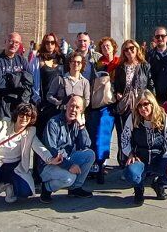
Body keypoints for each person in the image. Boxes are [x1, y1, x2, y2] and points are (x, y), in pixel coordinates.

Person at [121, 90, 167, 204]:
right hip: (141, 159)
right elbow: (124, 138)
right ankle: (139, 188)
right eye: (139, 105)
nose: (142, 108)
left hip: (159, 158)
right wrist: (129, 153)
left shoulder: (163, 118)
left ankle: (159, 184)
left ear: (152, 104)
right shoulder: (133, 117)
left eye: (145, 104)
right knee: (130, 174)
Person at [39, 94, 96, 201]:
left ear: (82, 111)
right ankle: (46, 188)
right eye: (71, 106)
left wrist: (81, 126)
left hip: (66, 159)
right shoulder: (53, 123)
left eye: (77, 107)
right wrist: (69, 166)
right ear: (66, 106)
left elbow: (85, 145)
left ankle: (75, 188)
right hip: (49, 163)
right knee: (70, 178)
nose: (73, 110)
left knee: (90, 154)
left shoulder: (76, 124)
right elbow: (52, 151)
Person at [113, 39, 153, 163]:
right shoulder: (120, 67)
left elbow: (150, 84)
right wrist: (117, 93)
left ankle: (141, 161)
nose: (129, 51)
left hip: (141, 104)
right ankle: (124, 161)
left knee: (140, 133)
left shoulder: (144, 65)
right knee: (125, 133)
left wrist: (152, 102)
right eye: (126, 49)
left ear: (137, 49)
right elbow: (116, 85)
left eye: (132, 48)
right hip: (126, 105)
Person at [88, 36, 119, 182]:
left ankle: (107, 163)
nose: (106, 48)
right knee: (99, 134)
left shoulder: (119, 63)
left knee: (110, 135)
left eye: (108, 46)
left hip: (116, 104)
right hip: (101, 103)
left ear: (113, 47)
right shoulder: (98, 64)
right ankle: (98, 164)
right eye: (103, 46)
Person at [0, 32, 32, 122]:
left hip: (18, 105)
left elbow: (30, 80)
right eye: (11, 41)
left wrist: (9, 77)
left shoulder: (22, 60)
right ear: (5, 42)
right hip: (1, 107)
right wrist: (19, 80)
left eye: (17, 42)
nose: (13, 45)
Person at [31, 34, 65, 128]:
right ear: (43, 44)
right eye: (47, 42)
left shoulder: (61, 59)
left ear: (56, 44)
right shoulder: (37, 60)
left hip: (58, 102)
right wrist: (36, 99)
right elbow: (32, 80)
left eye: (52, 42)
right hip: (43, 101)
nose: (50, 45)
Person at [48, 51, 92, 116]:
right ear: (69, 63)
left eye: (78, 62)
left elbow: (87, 101)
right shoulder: (60, 79)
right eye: (73, 62)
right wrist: (58, 102)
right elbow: (49, 96)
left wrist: (78, 107)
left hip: (77, 115)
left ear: (82, 65)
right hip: (60, 114)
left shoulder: (85, 82)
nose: (76, 64)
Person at [147, 27, 167, 101]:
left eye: (163, 36)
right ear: (154, 39)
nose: (160, 38)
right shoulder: (148, 55)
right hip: (154, 96)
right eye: (157, 36)